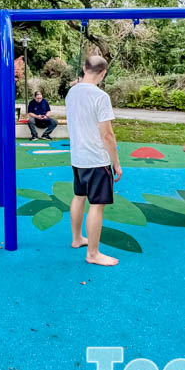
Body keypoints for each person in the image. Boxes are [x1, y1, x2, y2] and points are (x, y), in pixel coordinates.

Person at [65, 55, 122, 267]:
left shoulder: (72, 92)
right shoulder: (100, 97)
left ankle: (77, 238)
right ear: (103, 73)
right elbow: (107, 134)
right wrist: (115, 163)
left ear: (83, 68)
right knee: (97, 206)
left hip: (78, 157)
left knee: (79, 196)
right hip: (96, 159)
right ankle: (93, 253)